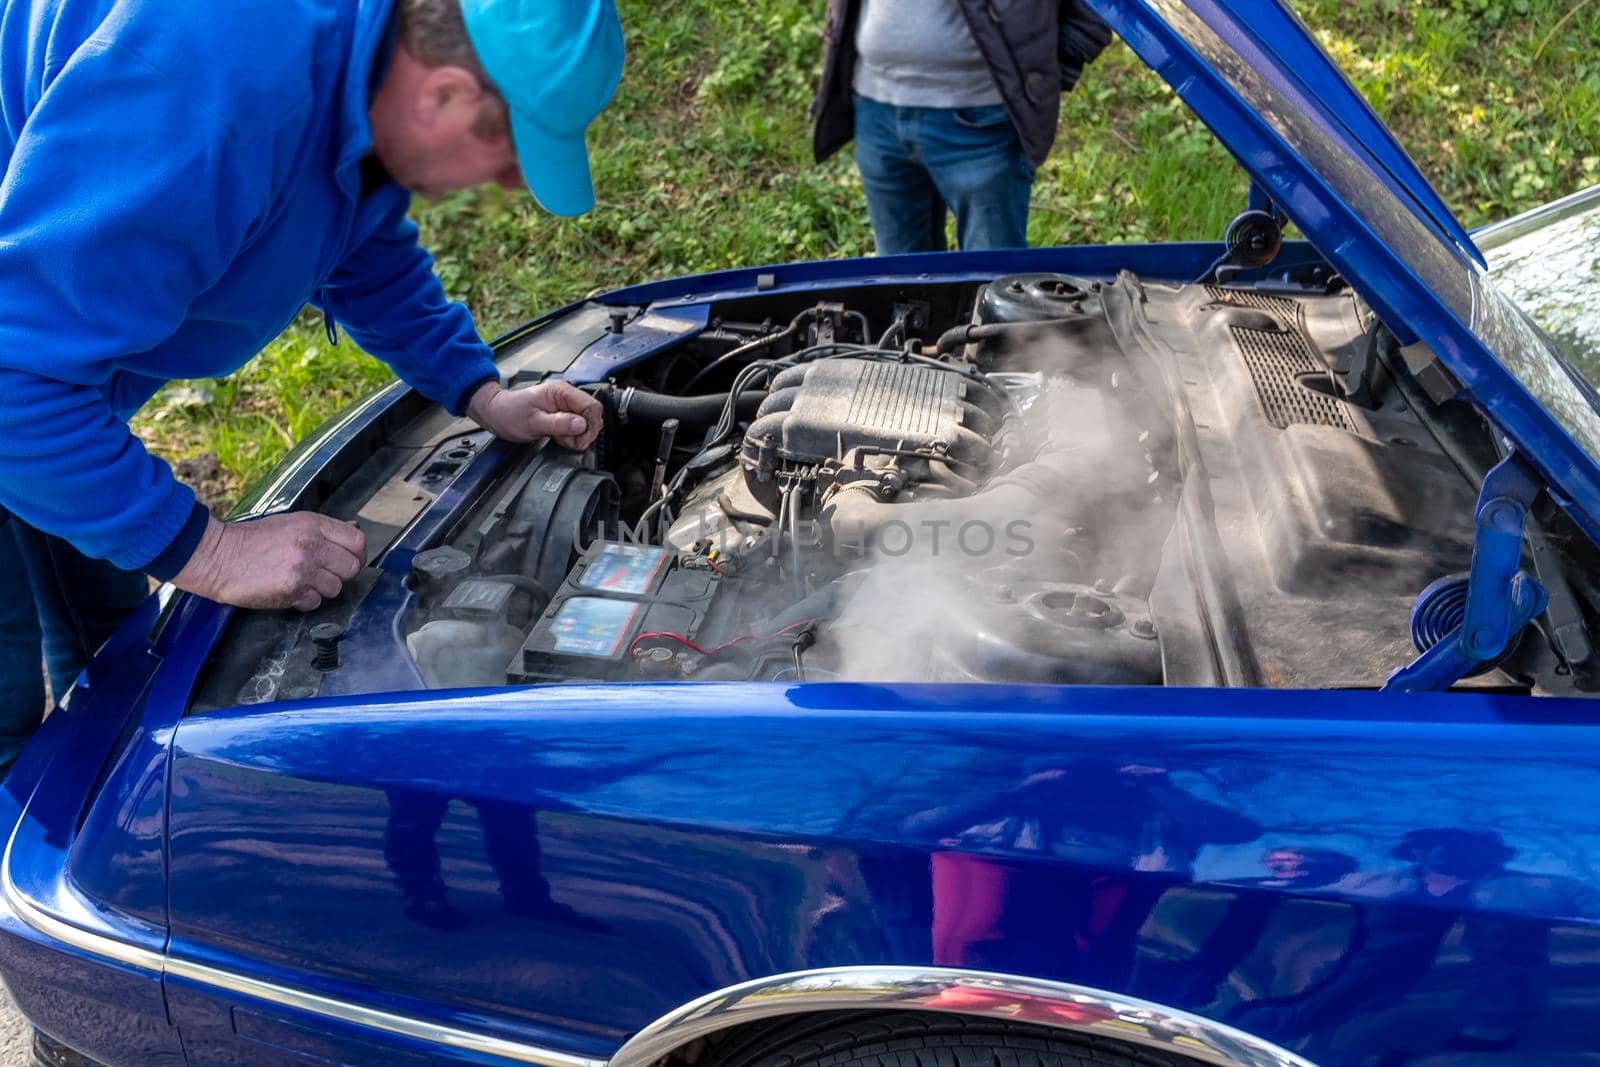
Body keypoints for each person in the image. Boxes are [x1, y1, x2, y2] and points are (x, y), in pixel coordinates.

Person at [0, 0, 620, 769]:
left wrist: (479, 392)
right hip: (19, 373)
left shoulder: (353, 58)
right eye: (506, 158)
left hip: (44, 354)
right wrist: (213, 552)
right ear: (446, 95)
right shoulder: (205, 94)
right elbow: (13, 384)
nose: (500, 181)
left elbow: (353, 232)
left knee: (107, 630)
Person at [812, 0, 1112, 254]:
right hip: (876, 113)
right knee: (899, 285)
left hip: (982, 121)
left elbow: (1102, 9)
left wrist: (1049, 73)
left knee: (991, 287)